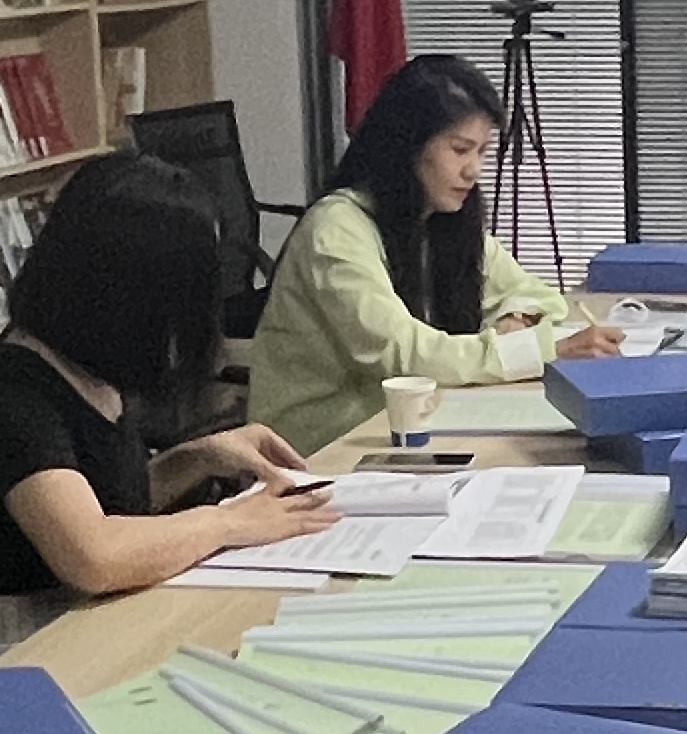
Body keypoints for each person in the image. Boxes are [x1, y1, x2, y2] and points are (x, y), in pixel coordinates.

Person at [0, 153, 329, 649]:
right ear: (131, 297)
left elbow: (106, 503)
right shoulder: (8, 395)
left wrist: (199, 458)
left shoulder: (86, 366)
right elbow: (94, 555)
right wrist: (230, 522)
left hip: (70, 620)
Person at [243, 52, 618, 453]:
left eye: (481, 152)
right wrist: (539, 350)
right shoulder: (336, 230)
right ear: (408, 146)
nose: (473, 171)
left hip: (406, 427)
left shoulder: (440, 217)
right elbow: (405, 356)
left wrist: (515, 319)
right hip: (316, 449)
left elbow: (538, 295)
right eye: (460, 150)